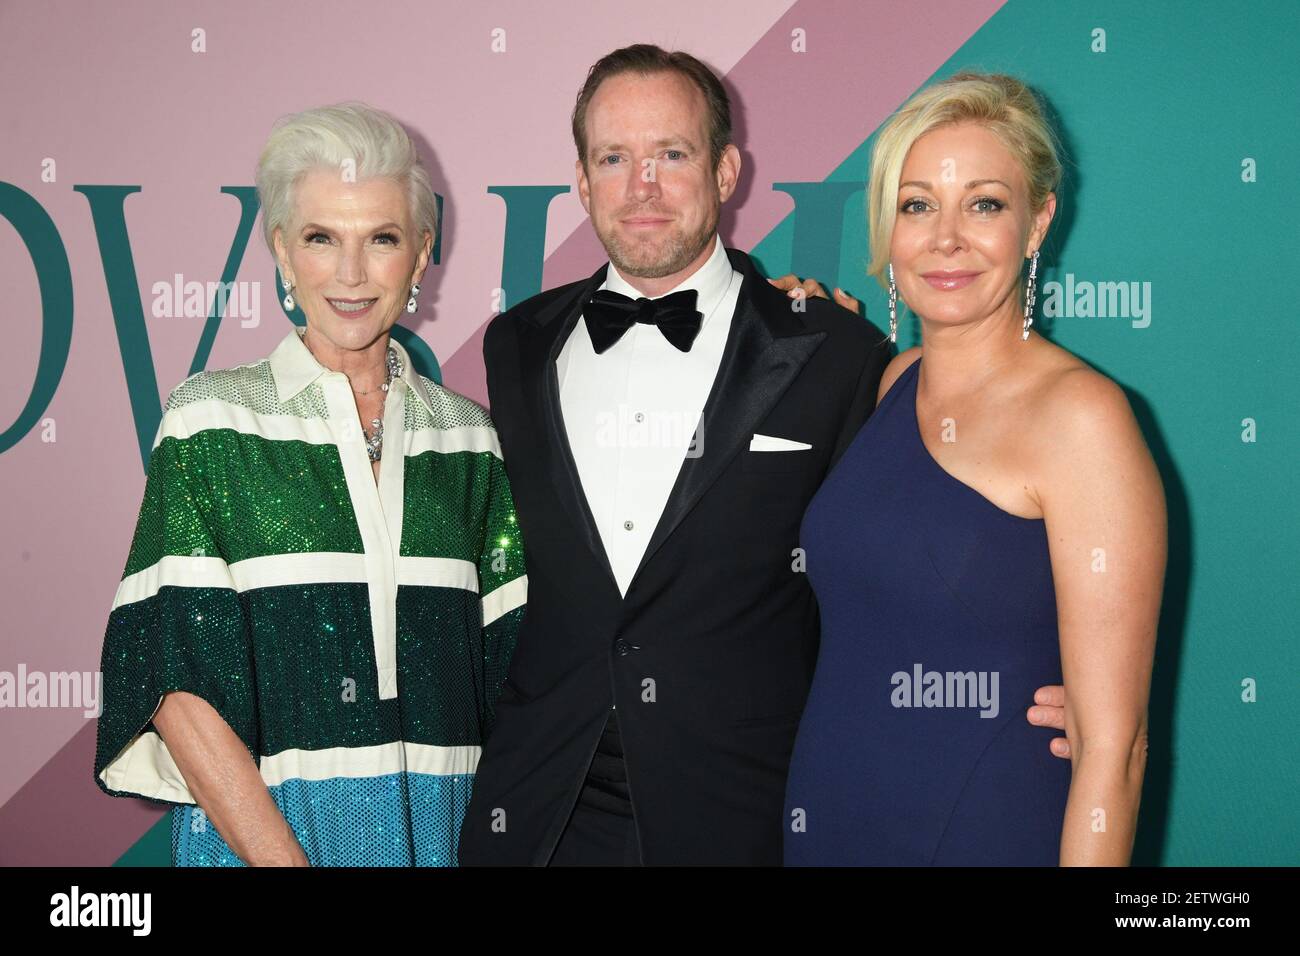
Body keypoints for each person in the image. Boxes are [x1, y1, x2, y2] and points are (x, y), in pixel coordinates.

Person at [458, 46, 1070, 867]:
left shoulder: (837, 353)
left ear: (726, 172)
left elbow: (912, 556)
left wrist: (1045, 689)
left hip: (748, 811)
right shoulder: (517, 345)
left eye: (672, 154)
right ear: (581, 179)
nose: (643, 185)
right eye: (615, 158)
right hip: (540, 811)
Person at [93, 103, 526, 866]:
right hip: (264, 850)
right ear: (283, 254)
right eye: (322, 238)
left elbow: (516, 682)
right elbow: (174, 681)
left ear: (422, 255)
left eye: (382, 239)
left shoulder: (470, 439)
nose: (352, 274)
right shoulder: (211, 422)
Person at [784, 72, 1165, 865]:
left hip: (985, 830)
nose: (946, 238)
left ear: (1038, 222)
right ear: (887, 229)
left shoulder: (1083, 419)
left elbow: (1112, 748)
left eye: (985, 203)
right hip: (831, 824)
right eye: (917, 205)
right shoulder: (886, 385)